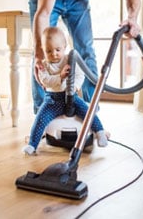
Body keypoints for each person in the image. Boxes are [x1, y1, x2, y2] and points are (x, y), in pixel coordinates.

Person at [23, 27, 109, 155]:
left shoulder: (70, 59)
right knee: (40, 119)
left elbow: (80, 75)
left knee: (87, 112)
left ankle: (100, 132)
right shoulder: (43, 65)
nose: (54, 54)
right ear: (43, 50)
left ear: (64, 46)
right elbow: (45, 80)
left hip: (72, 98)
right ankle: (32, 144)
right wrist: (60, 77)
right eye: (49, 51)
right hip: (52, 100)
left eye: (58, 50)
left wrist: (75, 87)